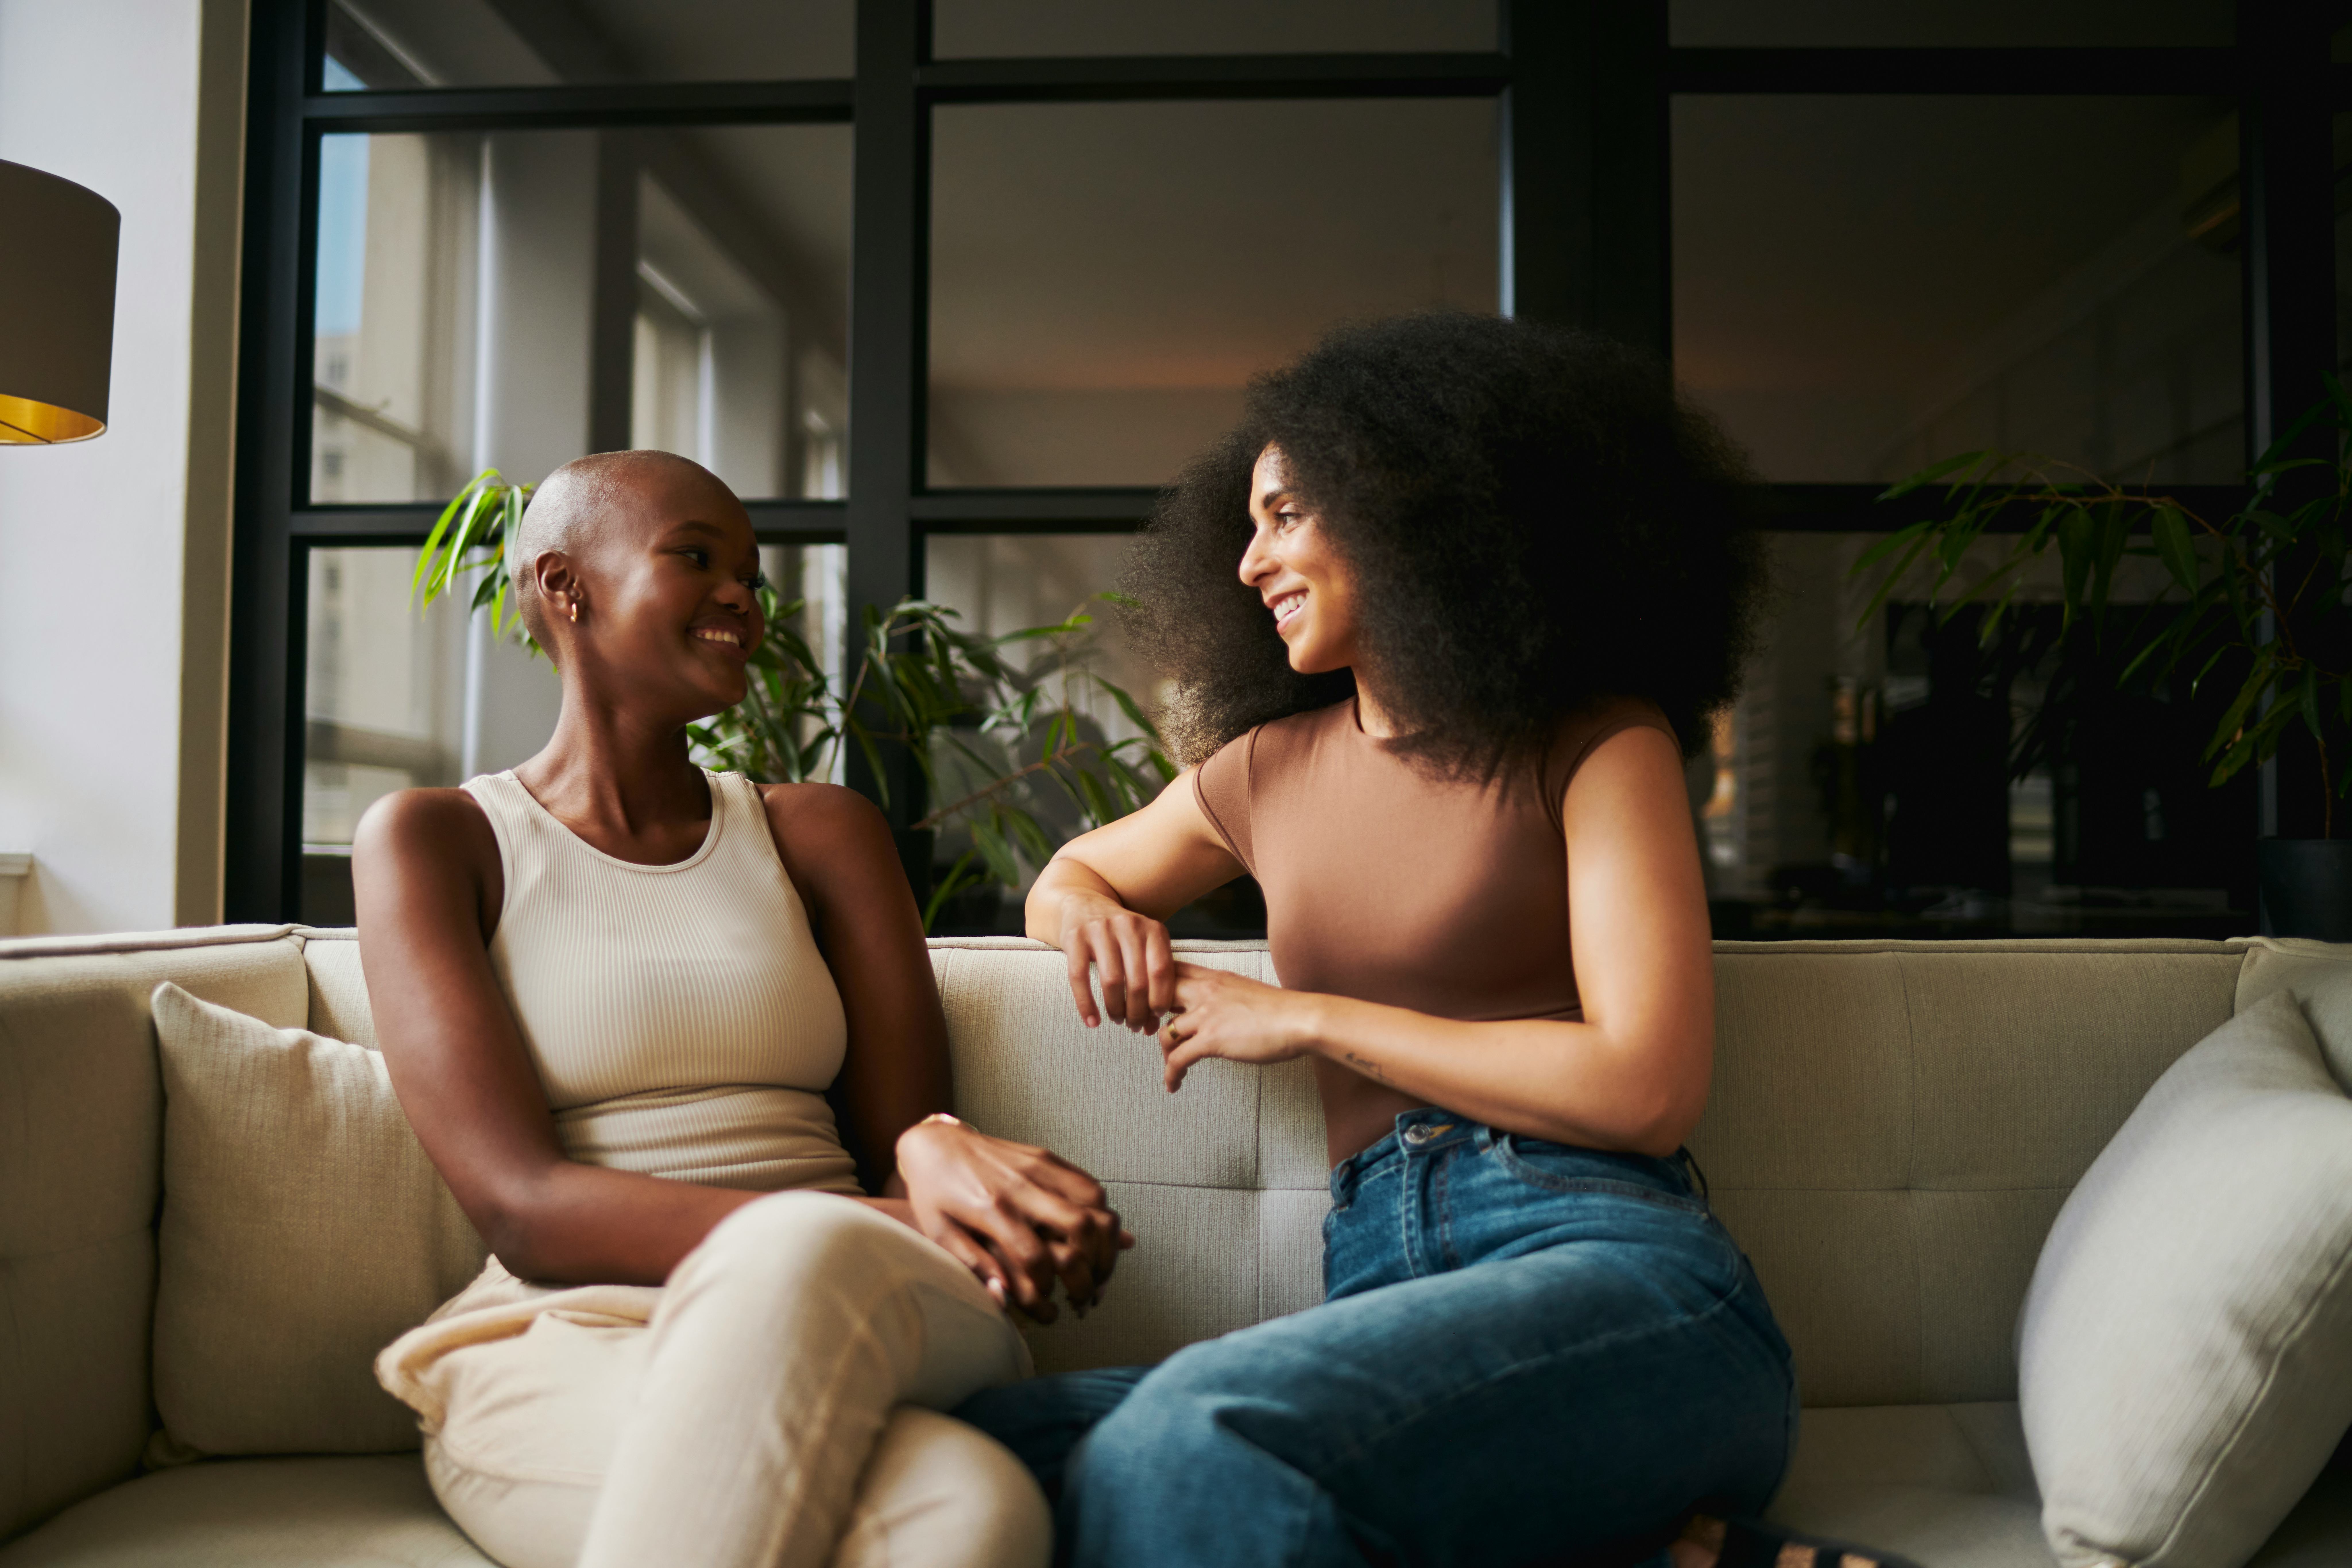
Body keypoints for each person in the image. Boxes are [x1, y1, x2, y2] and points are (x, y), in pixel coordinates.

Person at [959, 315, 1891, 1568]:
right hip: (1385, 1300)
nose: (1247, 562)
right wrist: (1089, 913)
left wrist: (1303, 1017)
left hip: (1613, 1272)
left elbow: (1645, 1088)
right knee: (982, 1445)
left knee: (1182, 1441)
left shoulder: (1597, 742)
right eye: (1247, 525)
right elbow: (1069, 876)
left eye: (1286, 515)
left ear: (1414, 511)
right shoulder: (1263, 769)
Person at [354, 449, 1129, 1568]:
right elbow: (523, 1208)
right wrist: (902, 1222)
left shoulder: (819, 831)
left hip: (862, 1298)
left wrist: (939, 1169)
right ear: (566, 587)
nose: (744, 596)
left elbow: (903, 1142)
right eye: (695, 558)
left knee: (803, 1262)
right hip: (568, 1333)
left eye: (751, 575)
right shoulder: (438, 840)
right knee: (972, 1518)